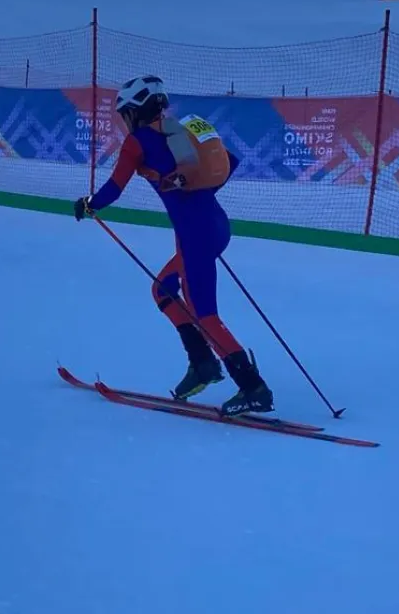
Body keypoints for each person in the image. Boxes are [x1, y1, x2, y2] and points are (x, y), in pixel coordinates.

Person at [73, 75, 274, 417]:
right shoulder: (181, 132)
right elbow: (229, 164)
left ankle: (254, 388)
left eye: (126, 113)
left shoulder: (138, 142)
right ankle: (203, 365)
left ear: (136, 111)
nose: (125, 121)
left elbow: (114, 188)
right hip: (213, 225)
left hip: (195, 234)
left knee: (205, 314)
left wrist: (89, 204)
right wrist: (191, 190)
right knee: (163, 289)